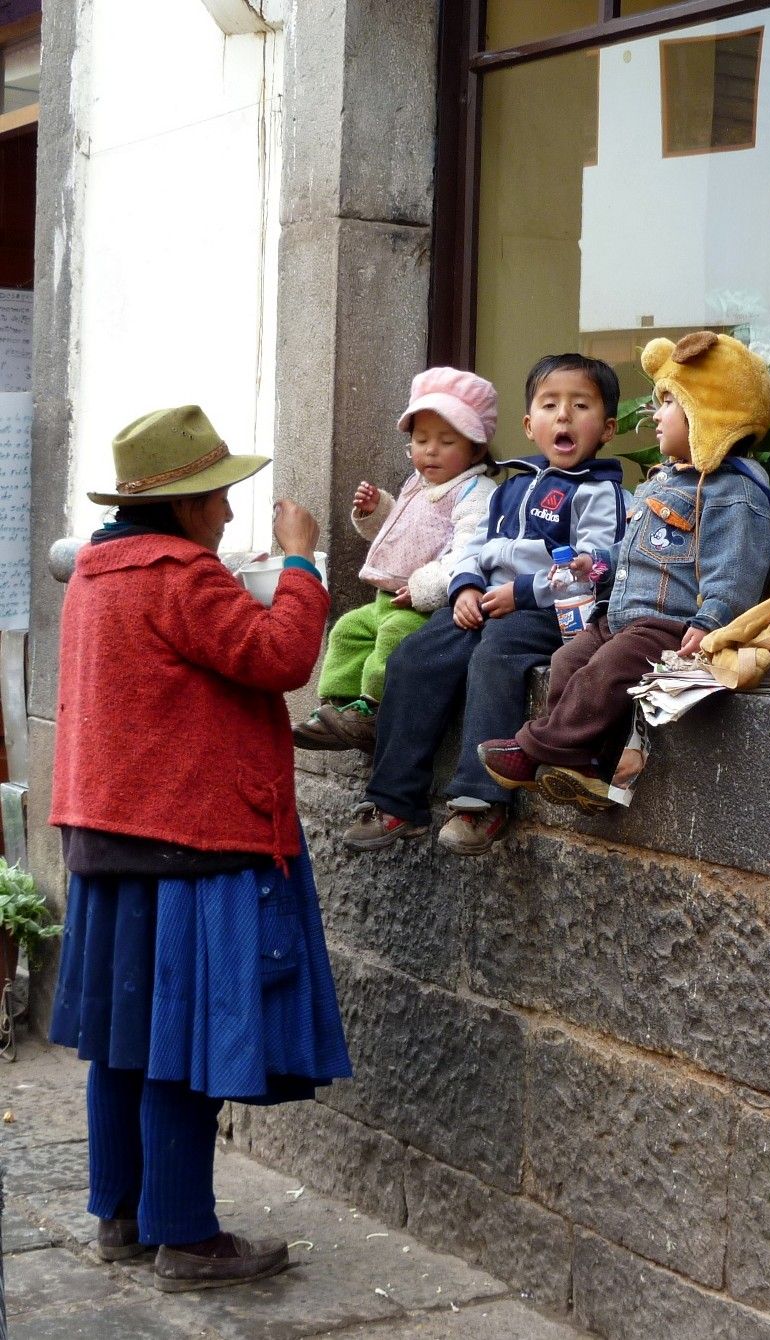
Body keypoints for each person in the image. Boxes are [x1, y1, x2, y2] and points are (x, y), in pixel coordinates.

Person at [48, 405, 352, 1293]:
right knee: (183, 1039)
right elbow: (281, 654)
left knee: (124, 1037)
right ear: (184, 505)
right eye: (218, 497)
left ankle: (124, 1216)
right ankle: (185, 1235)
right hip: (193, 842)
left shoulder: (99, 572)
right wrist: (299, 560)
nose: (225, 515)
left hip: (110, 839)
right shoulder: (180, 573)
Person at [477, 331, 770, 809]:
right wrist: (596, 564)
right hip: (623, 615)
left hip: (669, 625)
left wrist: (711, 623)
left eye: (669, 402)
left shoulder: (735, 494)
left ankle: (533, 749)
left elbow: (737, 569)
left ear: (709, 417)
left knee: (606, 671)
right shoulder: (662, 483)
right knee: (567, 661)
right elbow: (630, 550)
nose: (656, 413)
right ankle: (584, 767)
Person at [342, 352, 628, 857]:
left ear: (606, 429)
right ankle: (396, 801)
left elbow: (596, 565)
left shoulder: (600, 492)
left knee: (495, 654)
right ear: (528, 423)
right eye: (549, 405)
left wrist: (520, 594)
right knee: (415, 653)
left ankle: (481, 800)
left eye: (579, 405)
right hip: (487, 600)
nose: (563, 415)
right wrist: (466, 586)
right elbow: (474, 545)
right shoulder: (512, 486)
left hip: (549, 611)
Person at [293, 367, 499, 753]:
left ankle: (372, 712)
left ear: (477, 448)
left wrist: (425, 587)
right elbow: (400, 535)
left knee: (392, 638)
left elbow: (469, 550)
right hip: (382, 599)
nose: (430, 451)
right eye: (421, 440)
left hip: (424, 607)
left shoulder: (476, 491)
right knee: (348, 629)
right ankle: (336, 707)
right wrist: (377, 511)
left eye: (445, 441)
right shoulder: (417, 483)